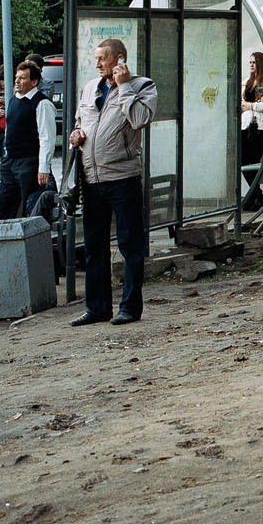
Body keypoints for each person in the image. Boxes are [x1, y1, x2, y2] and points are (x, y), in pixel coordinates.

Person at [68, 37, 155, 326]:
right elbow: (82, 121)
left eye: (103, 58)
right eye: (96, 58)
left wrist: (125, 86)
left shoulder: (142, 86)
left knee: (130, 244)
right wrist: (76, 134)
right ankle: (97, 307)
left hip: (123, 177)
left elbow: (140, 118)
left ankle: (130, 307)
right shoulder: (91, 87)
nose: (97, 64)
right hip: (92, 178)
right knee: (94, 246)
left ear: (119, 59)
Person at [0, 57, 56, 221]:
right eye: (16, 78)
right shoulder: (13, 100)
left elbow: (46, 138)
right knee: (1, 208)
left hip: (29, 163)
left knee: (29, 210)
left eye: (22, 78)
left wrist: (43, 167)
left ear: (34, 82)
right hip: (10, 163)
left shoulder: (42, 104)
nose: (17, 81)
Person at [240, 51, 263, 210]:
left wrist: (250, 106)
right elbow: (241, 102)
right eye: (250, 62)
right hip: (246, 126)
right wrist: (246, 107)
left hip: (260, 128)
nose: (251, 65)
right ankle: (257, 196)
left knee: (253, 161)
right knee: (244, 162)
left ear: (261, 64)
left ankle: (255, 197)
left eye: (254, 62)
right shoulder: (246, 82)